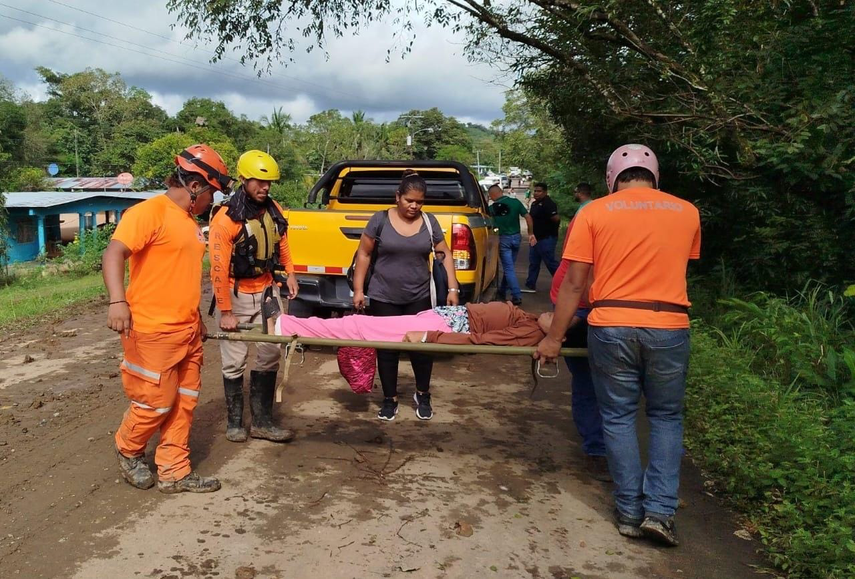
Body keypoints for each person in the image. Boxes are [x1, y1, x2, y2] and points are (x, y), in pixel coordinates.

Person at [535, 144, 701, 547]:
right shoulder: (687, 212)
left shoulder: (593, 211)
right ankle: (660, 512)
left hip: (610, 324)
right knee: (665, 417)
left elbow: (575, 283)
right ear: (655, 175)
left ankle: (629, 512)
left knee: (619, 416)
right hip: (668, 324)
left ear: (611, 178)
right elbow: (677, 266)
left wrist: (554, 338)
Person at [103, 144, 232, 494]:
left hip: (187, 330)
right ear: (194, 186)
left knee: (184, 401)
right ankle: (128, 449)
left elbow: (181, 275)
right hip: (150, 330)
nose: (213, 201)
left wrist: (196, 319)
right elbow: (114, 252)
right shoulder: (150, 213)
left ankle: (174, 471)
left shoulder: (189, 224)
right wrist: (118, 301)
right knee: (155, 402)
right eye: (213, 193)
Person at [352, 170, 460, 421]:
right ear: (397, 196)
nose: (414, 205)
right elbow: (364, 255)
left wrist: (453, 289)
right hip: (383, 296)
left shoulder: (429, 223)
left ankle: (423, 394)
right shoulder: (379, 220)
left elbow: (445, 255)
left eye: (419, 201)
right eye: (409, 200)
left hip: (419, 297)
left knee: (422, 349)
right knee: (387, 350)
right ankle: (389, 399)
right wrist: (359, 290)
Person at [208, 150, 298, 444]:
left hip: (268, 290)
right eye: (260, 182)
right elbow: (219, 269)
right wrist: (225, 311)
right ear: (244, 180)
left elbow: (282, 242)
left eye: (269, 183)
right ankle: (235, 422)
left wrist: (291, 274)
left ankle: (262, 421)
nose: (265, 188)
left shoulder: (274, 209)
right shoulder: (226, 218)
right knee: (234, 360)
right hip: (236, 293)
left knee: (270, 354)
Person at [548, 215, 610, 483]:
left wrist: (554, 332)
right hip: (588, 310)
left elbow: (575, 284)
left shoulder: (592, 218)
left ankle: (601, 449)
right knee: (592, 383)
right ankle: (598, 449)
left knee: (598, 386)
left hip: (601, 310)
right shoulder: (593, 219)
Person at [272, 301, 545, 346]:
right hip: (442, 317)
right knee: (360, 325)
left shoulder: (531, 331)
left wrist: (429, 337)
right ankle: (291, 324)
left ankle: (289, 326)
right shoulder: (533, 320)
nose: (554, 312)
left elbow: (481, 340)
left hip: (443, 327)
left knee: (359, 327)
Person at [487, 184, 535, 306]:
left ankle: (516, 295)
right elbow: (528, 217)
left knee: (508, 268)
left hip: (504, 239)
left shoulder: (492, 208)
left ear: (492, 195)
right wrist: (530, 233)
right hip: (516, 238)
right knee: (510, 267)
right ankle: (502, 291)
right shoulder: (515, 202)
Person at [523, 182, 560, 293]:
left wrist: (550, 230)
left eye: (539, 191)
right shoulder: (534, 204)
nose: (536, 193)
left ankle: (562, 282)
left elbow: (556, 219)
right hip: (536, 238)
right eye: (535, 191)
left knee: (550, 262)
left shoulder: (548, 204)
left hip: (546, 238)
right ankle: (530, 284)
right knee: (534, 262)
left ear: (545, 192)